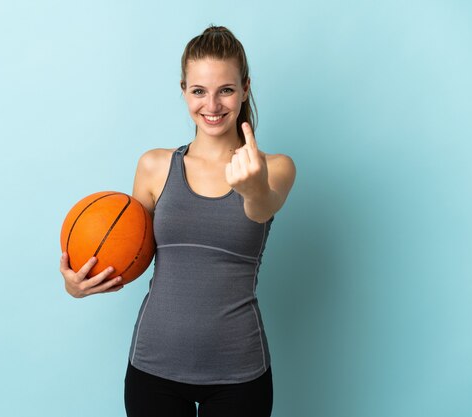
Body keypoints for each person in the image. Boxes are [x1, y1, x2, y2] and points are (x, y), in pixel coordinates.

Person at [59, 25, 296, 417]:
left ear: (245, 88)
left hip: (239, 373)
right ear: (184, 90)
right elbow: (128, 253)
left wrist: (252, 187)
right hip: (153, 369)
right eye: (199, 91)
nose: (212, 105)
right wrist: (77, 285)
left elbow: (262, 207)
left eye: (226, 90)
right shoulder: (154, 166)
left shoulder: (274, 168)